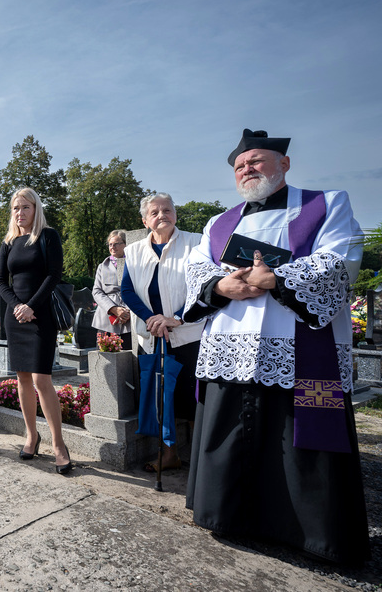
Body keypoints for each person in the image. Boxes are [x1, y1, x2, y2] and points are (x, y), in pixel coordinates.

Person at [182, 129, 368, 565]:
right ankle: (227, 514)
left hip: (302, 348)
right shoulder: (218, 223)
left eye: (256, 160)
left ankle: (310, 533)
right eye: (239, 165)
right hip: (232, 346)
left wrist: (278, 279)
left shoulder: (326, 204)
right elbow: (197, 270)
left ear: (284, 164)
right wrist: (220, 286)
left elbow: (340, 258)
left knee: (299, 439)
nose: (247, 169)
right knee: (231, 431)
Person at [121, 193, 204, 471]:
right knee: (161, 400)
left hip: (188, 334)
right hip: (153, 336)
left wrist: (176, 318)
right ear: (145, 221)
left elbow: (203, 287)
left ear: (175, 214)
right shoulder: (134, 251)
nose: (162, 215)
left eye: (167, 210)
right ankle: (169, 455)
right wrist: (152, 320)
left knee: (193, 398)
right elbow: (127, 291)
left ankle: (201, 461)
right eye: (154, 212)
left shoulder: (196, 243)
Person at [0, 188, 72, 473]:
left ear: (36, 209)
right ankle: (31, 436)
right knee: (22, 378)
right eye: (16, 208)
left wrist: (31, 306)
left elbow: (54, 275)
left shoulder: (48, 236)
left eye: (25, 207)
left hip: (41, 316)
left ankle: (59, 444)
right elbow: (0, 281)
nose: (20, 213)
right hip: (16, 317)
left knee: (42, 379)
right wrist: (18, 306)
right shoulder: (8, 242)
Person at [92, 230, 132, 351]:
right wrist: (113, 309)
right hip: (106, 318)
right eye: (110, 244)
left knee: (129, 356)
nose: (112, 247)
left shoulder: (134, 264)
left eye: (116, 244)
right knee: (106, 356)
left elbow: (140, 289)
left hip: (129, 317)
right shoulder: (102, 266)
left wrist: (127, 311)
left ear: (125, 244)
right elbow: (97, 291)